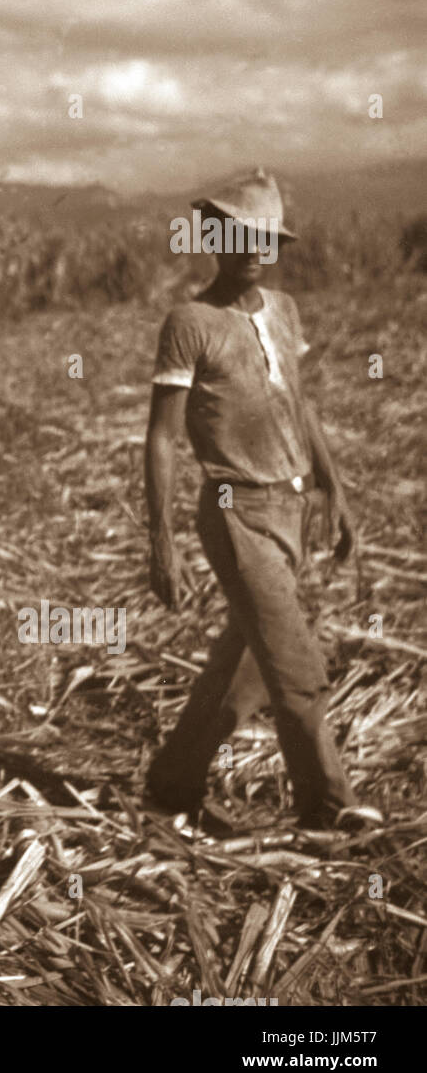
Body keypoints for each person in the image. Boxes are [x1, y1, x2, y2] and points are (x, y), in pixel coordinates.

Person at [143, 168, 381, 833]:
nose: (254, 248)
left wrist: (335, 489)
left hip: (291, 507)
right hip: (233, 512)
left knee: (245, 666)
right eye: (240, 234)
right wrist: (160, 539)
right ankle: (326, 809)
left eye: (266, 237)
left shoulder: (283, 312)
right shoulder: (190, 322)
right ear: (213, 237)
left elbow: (298, 405)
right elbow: (161, 437)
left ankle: (169, 787)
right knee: (297, 669)